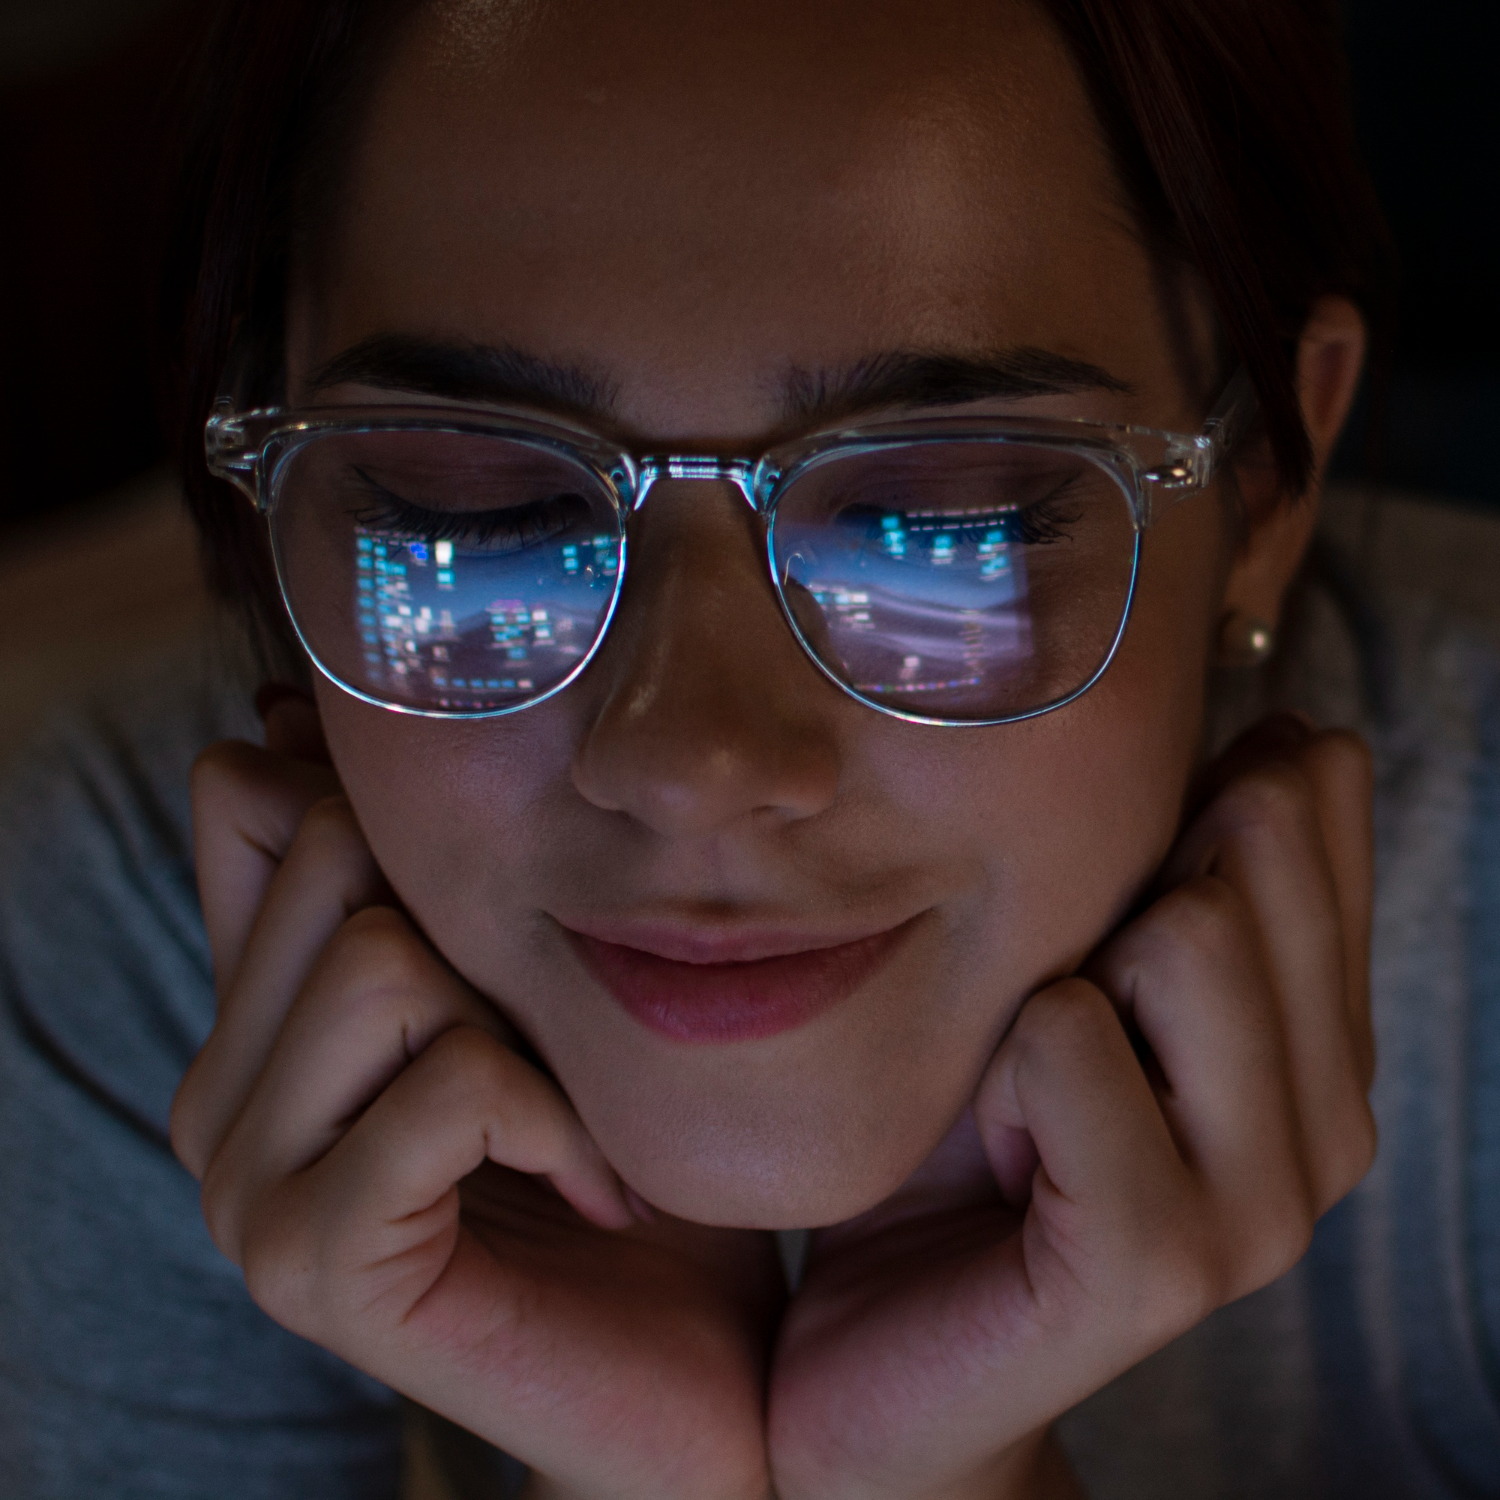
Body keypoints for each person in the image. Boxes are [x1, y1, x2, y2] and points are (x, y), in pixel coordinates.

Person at [2, 0, 1497, 1496]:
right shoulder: (115, 943)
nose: (693, 764)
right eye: (478, 524)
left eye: (939, 534)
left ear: (1262, 486)